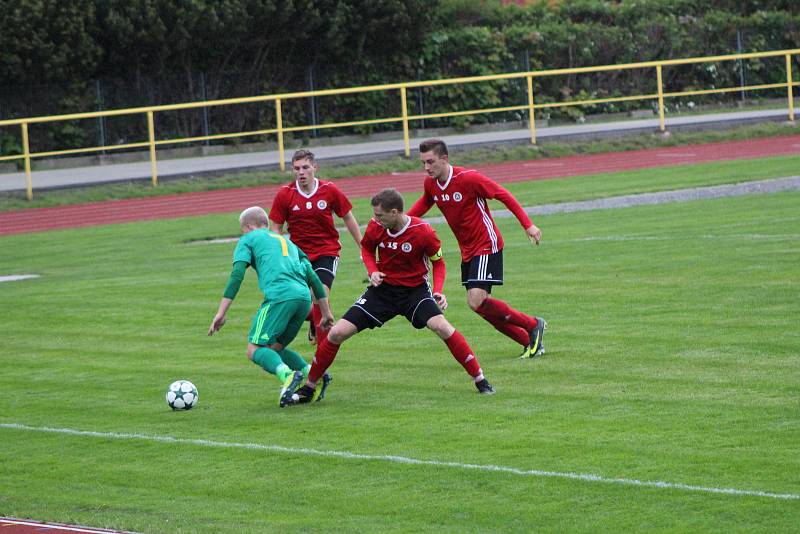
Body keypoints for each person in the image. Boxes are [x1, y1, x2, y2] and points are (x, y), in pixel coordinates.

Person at [281, 188, 495, 406]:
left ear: (395, 212)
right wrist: (372, 270)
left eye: (379, 215)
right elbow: (366, 248)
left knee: (442, 327)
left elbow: (438, 262)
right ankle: (309, 387)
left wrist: (438, 290)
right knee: (336, 333)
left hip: (415, 293)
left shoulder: (424, 232)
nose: (375, 220)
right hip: (382, 292)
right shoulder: (376, 228)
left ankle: (480, 379)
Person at [406, 138, 547, 359]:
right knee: (480, 306)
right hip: (467, 250)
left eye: (430, 162)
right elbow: (424, 203)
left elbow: (503, 194)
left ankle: (533, 324)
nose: (426, 168)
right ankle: (528, 340)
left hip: (486, 244)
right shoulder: (431, 184)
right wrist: (402, 222)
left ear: (444, 159)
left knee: (476, 300)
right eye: (423, 163)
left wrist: (527, 224)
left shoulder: (468, 178)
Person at [208, 206, 335, 407]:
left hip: (279, 297)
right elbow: (313, 277)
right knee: (274, 349)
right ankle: (314, 373)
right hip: (303, 299)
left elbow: (237, 275)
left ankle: (288, 375)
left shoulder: (248, 239)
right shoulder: (288, 242)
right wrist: (325, 313)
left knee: (254, 349)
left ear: (248, 226)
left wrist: (221, 312)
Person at [269, 149, 362, 346]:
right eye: (296, 168)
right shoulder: (285, 194)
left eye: (305, 167)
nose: (301, 172)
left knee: (320, 293)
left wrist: (362, 246)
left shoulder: (329, 190)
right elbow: (275, 228)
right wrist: (280, 253)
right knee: (296, 301)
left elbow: (347, 216)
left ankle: (322, 351)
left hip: (326, 252)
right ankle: (314, 317)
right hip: (298, 256)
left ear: (314, 167)